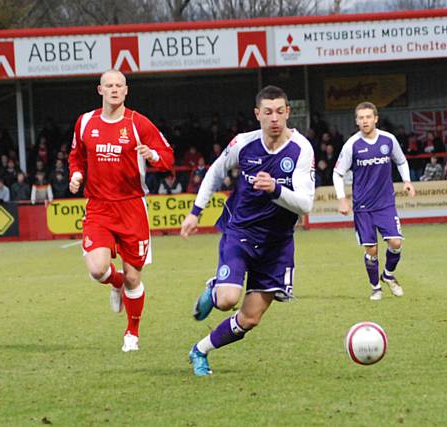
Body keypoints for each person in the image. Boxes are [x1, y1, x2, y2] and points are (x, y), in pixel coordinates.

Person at [180, 85, 315, 376]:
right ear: (258, 114)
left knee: (250, 318)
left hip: (277, 244)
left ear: (288, 112)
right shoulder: (243, 143)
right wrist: (195, 211)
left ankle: (199, 350)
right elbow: (215, 172)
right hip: (241, 231)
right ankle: (216, 288)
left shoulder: (302, 149)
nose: (274, 118)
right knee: (228, 299)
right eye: (268, 112)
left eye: (280, 111)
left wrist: (276, 188)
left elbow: (305, 204)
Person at [68, 69, 174, 352]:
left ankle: (132, 333)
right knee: (97, 269)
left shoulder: (138, 123)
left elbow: (168, 157)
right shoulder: (85, 122)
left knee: (133, 277)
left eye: (119, 85)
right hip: (99, 207)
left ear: (126, 91)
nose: (114, 90)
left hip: (132, 207)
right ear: (100, 90)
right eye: (109, 85)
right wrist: (76, 175)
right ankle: (114, 284)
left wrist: (152, 156)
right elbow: (75, 155)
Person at [333, 101, 415, 301]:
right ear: (356, 121)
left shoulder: (388, 140)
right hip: (363, 206)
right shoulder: (352, 144)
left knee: (396, 242)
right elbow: (337, 173)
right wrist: (342, 199)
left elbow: (401, 161)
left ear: (376, 118)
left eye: (368, 117)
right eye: (361, 118)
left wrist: (407, 181)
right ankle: (375, 287)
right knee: (372, 249)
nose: (365, 121)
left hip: (386, 203)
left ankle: (387, 274)